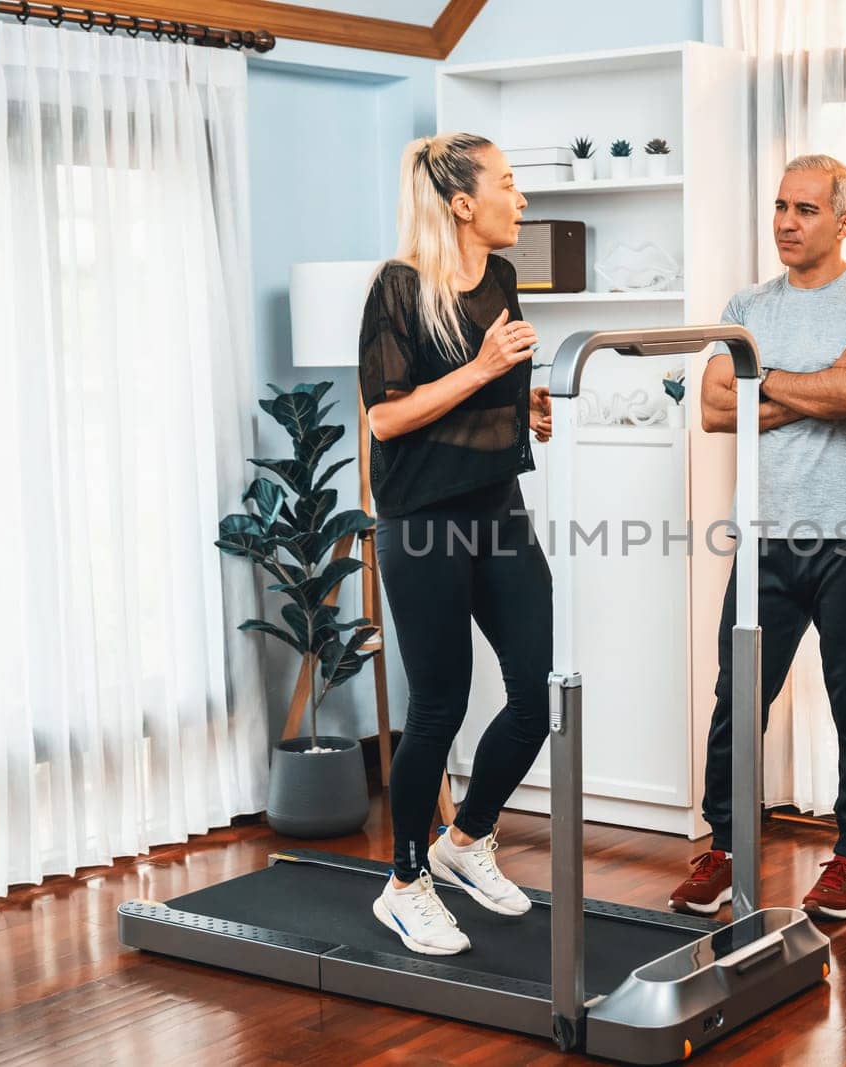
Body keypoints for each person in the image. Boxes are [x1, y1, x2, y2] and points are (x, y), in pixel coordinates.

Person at [670, 154, 846, 921]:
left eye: (805, 209)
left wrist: (762, 382)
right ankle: (724, 845)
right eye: (780, 206)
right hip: (766, 535)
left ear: (844, 220)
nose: (785, 221)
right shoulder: (746, 305)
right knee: (736, 697)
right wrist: (816, 385)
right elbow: (711, 410)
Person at [359, 132, 554, 956]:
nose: (522, 198)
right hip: (423, 520)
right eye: (510, 184)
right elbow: (387, 416)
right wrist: (481, 374)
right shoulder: (398, 289)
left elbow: (482, 393)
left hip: (496, 507)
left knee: (539, 693)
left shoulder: (501, 277)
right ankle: (405, 883)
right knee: (439, 706)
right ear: (464, 203)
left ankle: (466, 840)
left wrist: (522, 406)